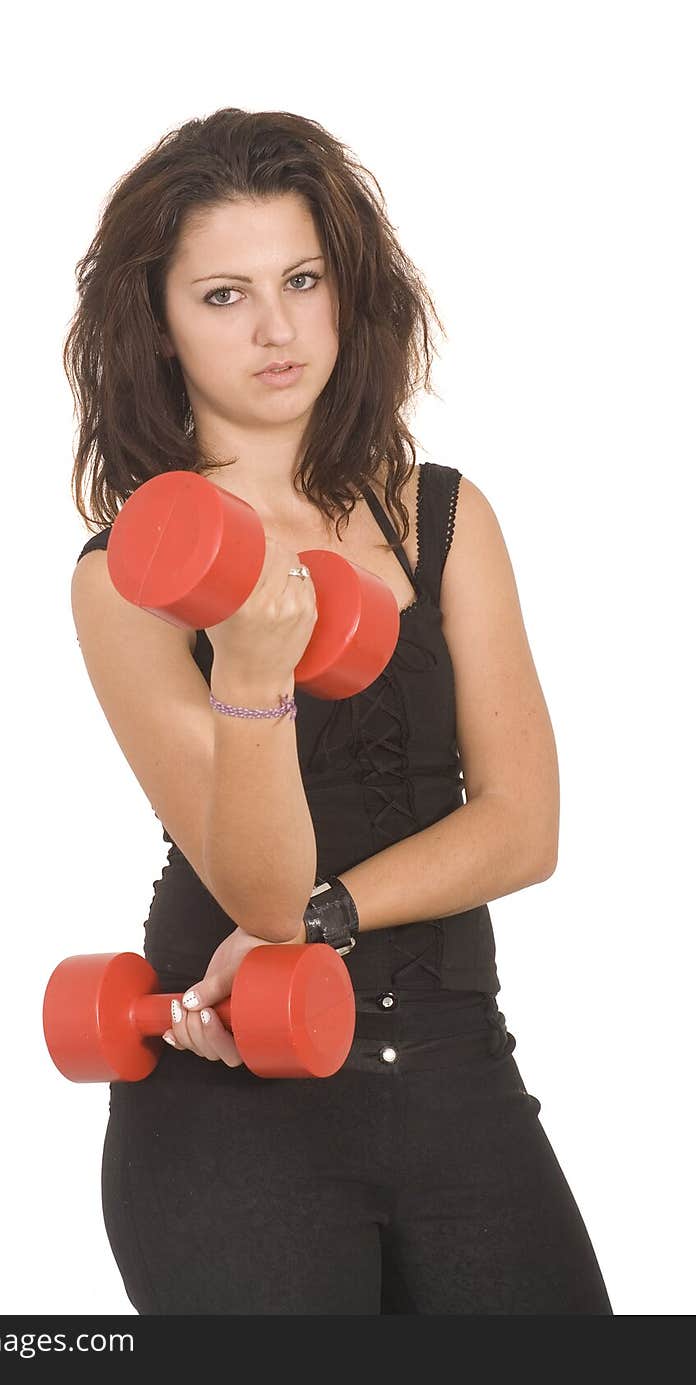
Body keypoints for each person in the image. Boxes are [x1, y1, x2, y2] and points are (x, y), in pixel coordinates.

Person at [65, 107, 613, 1315]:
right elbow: (251, 894)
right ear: (154, 325)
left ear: (345, 292)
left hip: (457, 1074)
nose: (275, 328)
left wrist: (323, 917)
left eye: (301, 279)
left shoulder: (443, 518)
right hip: (229, 1101)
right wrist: (254, 674)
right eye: (222, 295)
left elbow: (523, 828)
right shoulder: (124, 580)